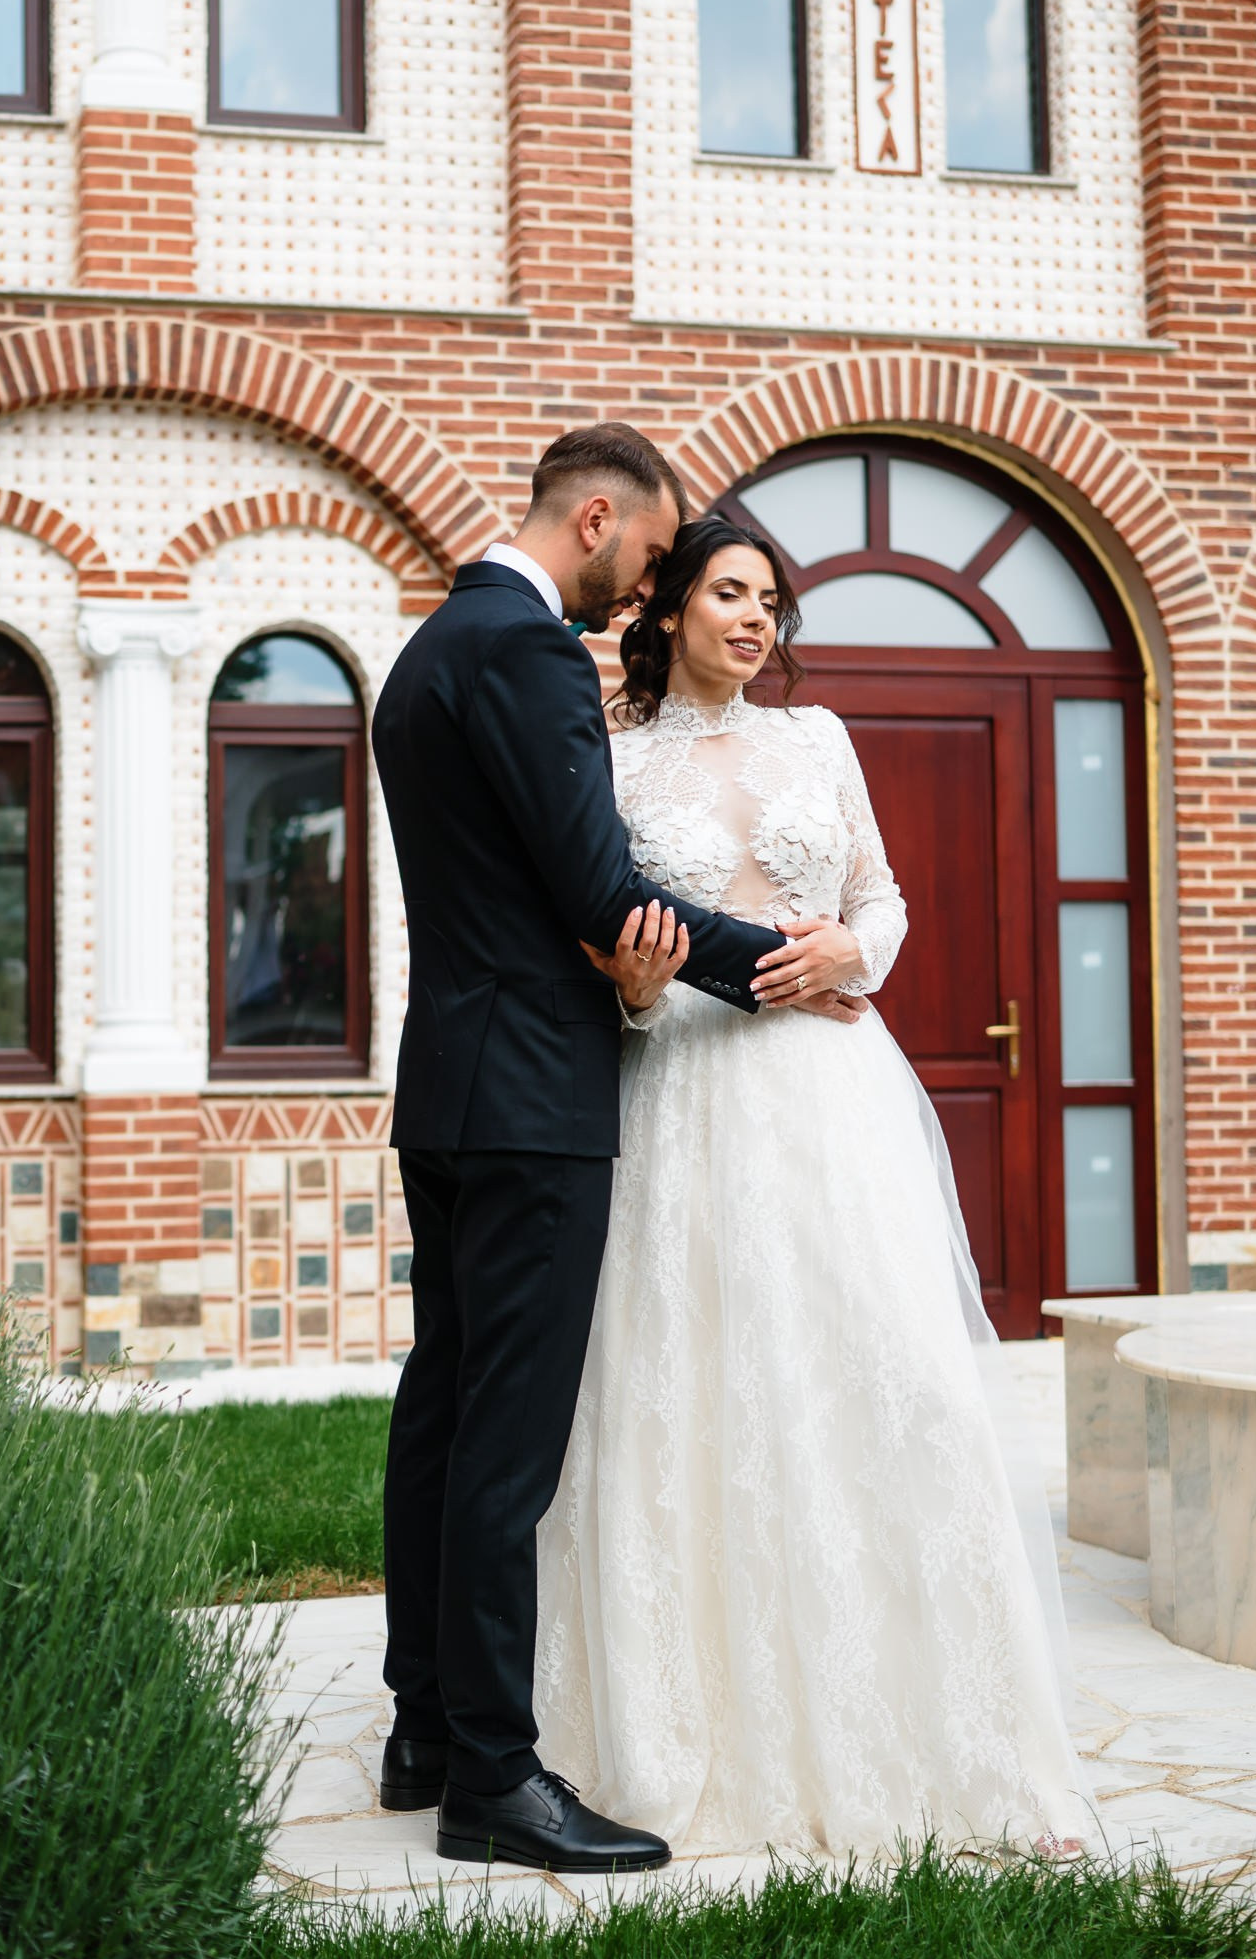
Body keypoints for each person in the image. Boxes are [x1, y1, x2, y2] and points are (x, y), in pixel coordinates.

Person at [534, 513, 1087, 1859]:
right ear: (666, 605)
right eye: (730, 593)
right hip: (683, 1099)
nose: (755, 619)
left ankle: (950, 1739)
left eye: (771, 599)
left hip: (830, 1101)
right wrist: (642, 996)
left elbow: (884, 898)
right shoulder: (603, 760)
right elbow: (604, 945)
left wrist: (853, 949)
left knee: (881, 1378)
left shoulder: (818, 740)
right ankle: (690, 1732)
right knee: (694, 1394)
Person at [369, 425, 797, 1875]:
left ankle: (423, 1726)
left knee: (440, 1408)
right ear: (597, 516)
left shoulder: (429, 651)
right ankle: (496, 1778)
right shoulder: (532, 651)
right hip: (539, 1098)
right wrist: (784, 963)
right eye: (648, 552)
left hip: (447, 1087)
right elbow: (602, 888)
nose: (645, 583)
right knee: (506, 1439)